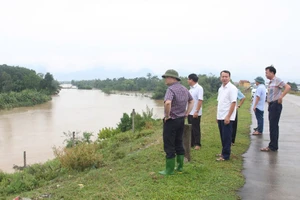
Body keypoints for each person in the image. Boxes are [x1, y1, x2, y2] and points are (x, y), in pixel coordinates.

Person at [159, 69, 194, 175]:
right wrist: (187, 113)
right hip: (181, 120)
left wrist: (167, 115)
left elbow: (168, 103)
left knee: (169, 144)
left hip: (172, 120)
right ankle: (179, 167)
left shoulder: (170, 89)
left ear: (172, 78)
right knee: (179, 142)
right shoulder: (184, 89)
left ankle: (169, 170)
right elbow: (191, 101)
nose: (165, 80)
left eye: (166, 78)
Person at [260, 65, 291, 152]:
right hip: (271, 105)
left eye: (267, 72)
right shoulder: (270, 82)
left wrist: (281, 97)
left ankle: (273, 146)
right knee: (272, 125)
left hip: (275, 105)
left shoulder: (277, 80)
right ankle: (273, 145)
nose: (266, 74)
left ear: (272, 72)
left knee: (273, 126)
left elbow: (288, 87)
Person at [216, 70, 237, 161]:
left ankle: (226, 155)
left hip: (227, 116)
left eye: (226, 77)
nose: (224, 78)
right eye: (223, 76)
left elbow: (233, 103)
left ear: (229, 77)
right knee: (222, 136)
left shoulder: (232, 88)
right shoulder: (221, 88)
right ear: (220, 77)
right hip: (220, 115)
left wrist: (228, 116)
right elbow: (220, 103)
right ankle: (223, 152)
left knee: (227, 136)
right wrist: (217, 116)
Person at [187, 73, 204, 150]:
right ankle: (192, 143)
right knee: (191, 128)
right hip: (190, 112)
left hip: (195, 112)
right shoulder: (190, 89)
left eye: (188, 79)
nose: (187, 80)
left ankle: (198, 144)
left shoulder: (199, 88)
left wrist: (196, 111)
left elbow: (200, 100)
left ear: (192, 80)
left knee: (196, 128)